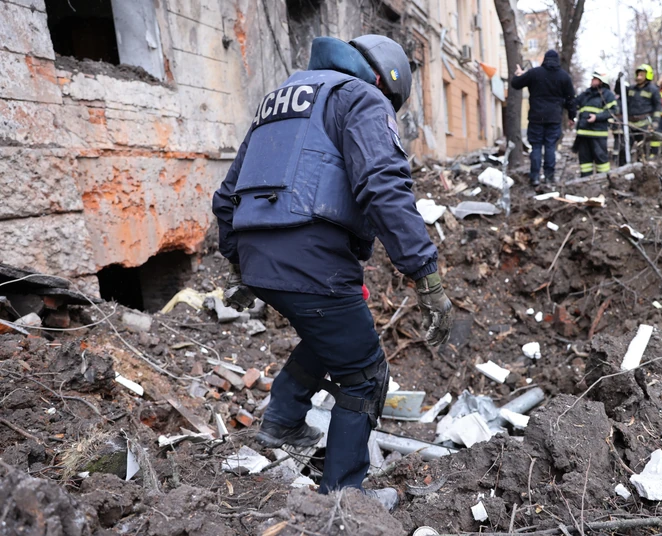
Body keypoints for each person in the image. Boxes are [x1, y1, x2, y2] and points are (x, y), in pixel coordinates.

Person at [211, 35, 453, 510]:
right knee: (365, 373)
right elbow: (383, 185)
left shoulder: (278, 102)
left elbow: (227, 196)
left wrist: (239, 263)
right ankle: (344, 498)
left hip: (262, 260)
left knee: (334, 337)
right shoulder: (361, 96)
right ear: (383, 80)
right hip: (312, 258)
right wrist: (426, 276)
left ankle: (282, 418)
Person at [511, 49, 576, 186]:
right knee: (550, 146)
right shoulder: (564, 76)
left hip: (536, 117)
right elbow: (571, 99)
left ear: (544, 60)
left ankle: (534, 177)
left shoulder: (534, 73)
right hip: (554, 118)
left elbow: (516, 84)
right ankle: (549, 177)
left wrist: (519, 74)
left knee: (536, 146)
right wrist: (572, 116)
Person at [573, 68, 618, 176]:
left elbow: (612, 111)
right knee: (585, 161)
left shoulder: (607, 95)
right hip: (583, 134)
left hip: (598, 134)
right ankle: (585, 180)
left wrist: (597, 117)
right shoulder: (586, 94)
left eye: (595, 79)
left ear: (602, 81)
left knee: (601, 159)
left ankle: (603, 179)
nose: (592, 80)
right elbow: (575, 104)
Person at [621, 63, 662, 162]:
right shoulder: (631, 89)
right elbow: (620, 94)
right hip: (629, 124)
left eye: (642, 75)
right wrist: (619, 81)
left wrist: (655, 121)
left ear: (648, 75)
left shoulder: (653, 90)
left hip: (644, 124)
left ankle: (642, 166)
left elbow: (658, 106)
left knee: (642, 149)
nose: (639, 77)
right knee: (624, 148)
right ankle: (623, 167)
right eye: (638, 74)